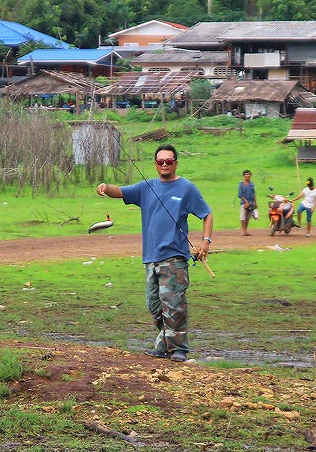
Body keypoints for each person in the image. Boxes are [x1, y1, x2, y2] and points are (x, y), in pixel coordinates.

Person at [96, 144, 213, 363]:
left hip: (174, 257)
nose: (165, 165)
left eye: (169, 161)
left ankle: (179, 349)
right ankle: (164, 344)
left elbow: (206, 214)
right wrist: (104, 186)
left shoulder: (187, 188)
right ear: (155, 164)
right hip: (151, 257)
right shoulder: (146, 187)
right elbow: (120, 191)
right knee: (154, 304)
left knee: (173, 304)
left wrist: (205, 241)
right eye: (161, 162)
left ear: (176, 164)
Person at [237, 169, 258, 235]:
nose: (248, 176)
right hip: (244, 203)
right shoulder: (241, 184)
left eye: (249, 174)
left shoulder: (252, 184)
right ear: (244, 176)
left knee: (248, 217)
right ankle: (242, 230)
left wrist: (255, 203)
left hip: (251, 203)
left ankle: (245, 230)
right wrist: (246, 201)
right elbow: (240, 194)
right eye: (246, 174)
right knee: (242, 216)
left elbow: (254, 193)